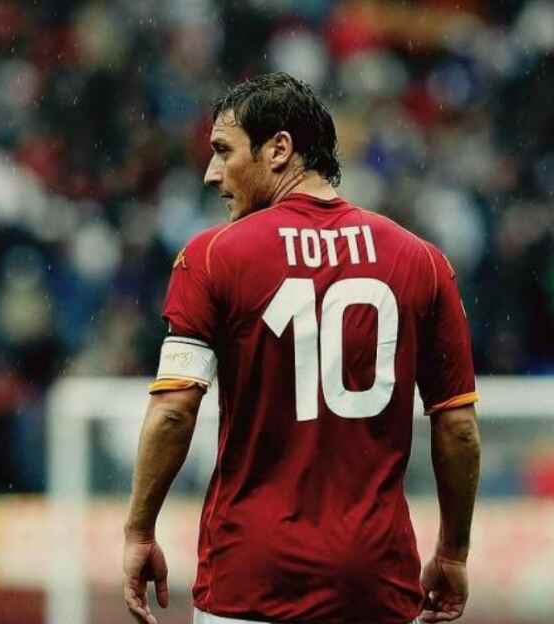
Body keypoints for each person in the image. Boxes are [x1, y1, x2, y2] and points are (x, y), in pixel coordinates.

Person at [123, 73, 481, 624]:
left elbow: (174, 411)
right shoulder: (421, 261)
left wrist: (139, 532)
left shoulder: (214, 256)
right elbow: (457, 428)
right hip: (375, 585)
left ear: (279, 149)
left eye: (223, 150)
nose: (211, 173)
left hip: (249, 581)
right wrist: (452, 554)